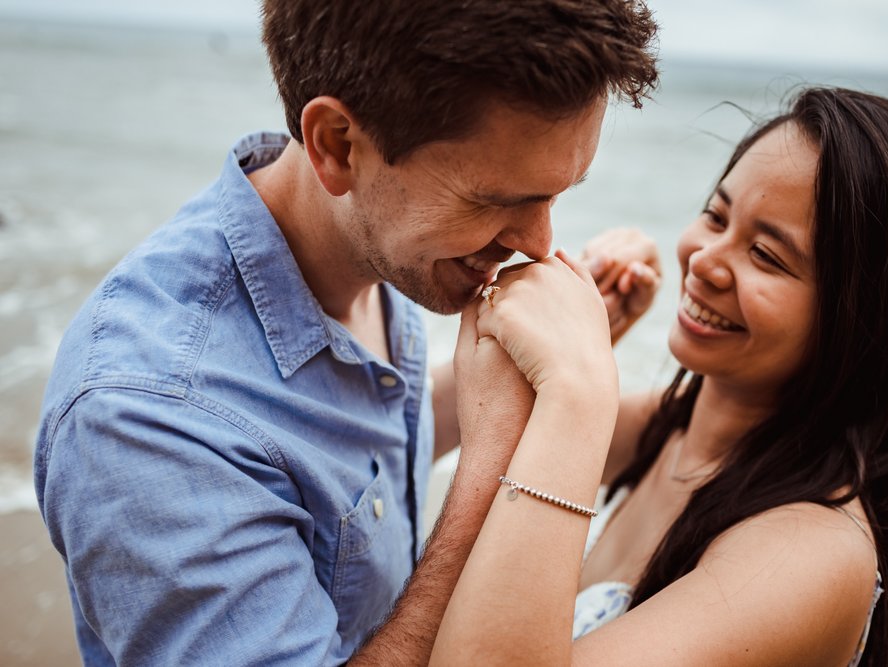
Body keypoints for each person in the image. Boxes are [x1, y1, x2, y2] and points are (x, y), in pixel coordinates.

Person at [33, 1, 660, 664]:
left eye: (555, 195)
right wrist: (496, 463)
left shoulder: (369, 243)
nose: (539, 245)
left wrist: (518, 368)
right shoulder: (146, 420)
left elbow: (356, 430)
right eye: (498, 201)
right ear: (336, 143)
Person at [431, 87, 888, 666]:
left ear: (867, 324)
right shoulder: (667, 431)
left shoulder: (810, 553)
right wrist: (559, 355)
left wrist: (578, 388)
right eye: (716, 216)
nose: (703, 260)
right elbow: (413, 430)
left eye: (768, 256)